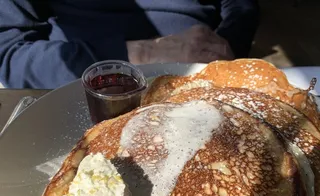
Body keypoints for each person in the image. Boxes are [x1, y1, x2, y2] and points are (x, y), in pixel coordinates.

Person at [0, 0, 259, 89]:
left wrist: (226, 46)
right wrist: (142, 53)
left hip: (203, 76)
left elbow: (240, 6)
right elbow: (9, 55)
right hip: (85, 92)